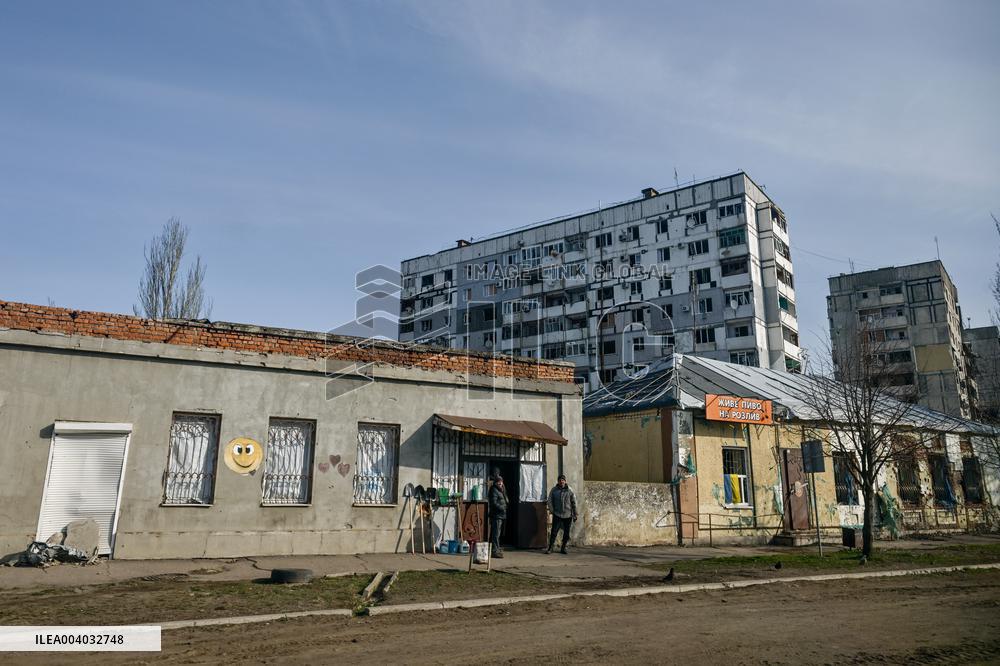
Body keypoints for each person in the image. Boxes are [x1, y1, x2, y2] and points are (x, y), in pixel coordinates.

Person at [546, 474, 577, 554]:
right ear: (558, 481)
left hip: (568, 515)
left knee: (566, 533)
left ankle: (563, 548)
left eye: (563, 480)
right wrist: (552, 510)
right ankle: (550, 548)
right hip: (557, 514)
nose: (561, 481)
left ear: (565, 481)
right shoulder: (554, 490)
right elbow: (549, 500)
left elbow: (574, 502)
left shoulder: (570, 490)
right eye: (560, 480)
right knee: (554, 532)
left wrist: (575, 514)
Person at [488, 472, 508, 558]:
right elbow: (494, 503)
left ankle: (496, 548)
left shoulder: (501, 489)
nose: (500, 483)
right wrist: (502, 508)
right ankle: (494, 551)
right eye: (498, 482)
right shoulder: (494, 490)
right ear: (495, 482)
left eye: (501, 481)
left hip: (501, 515)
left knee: (498, 533)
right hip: (496, 515)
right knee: (496, 534)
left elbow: (504, 499)